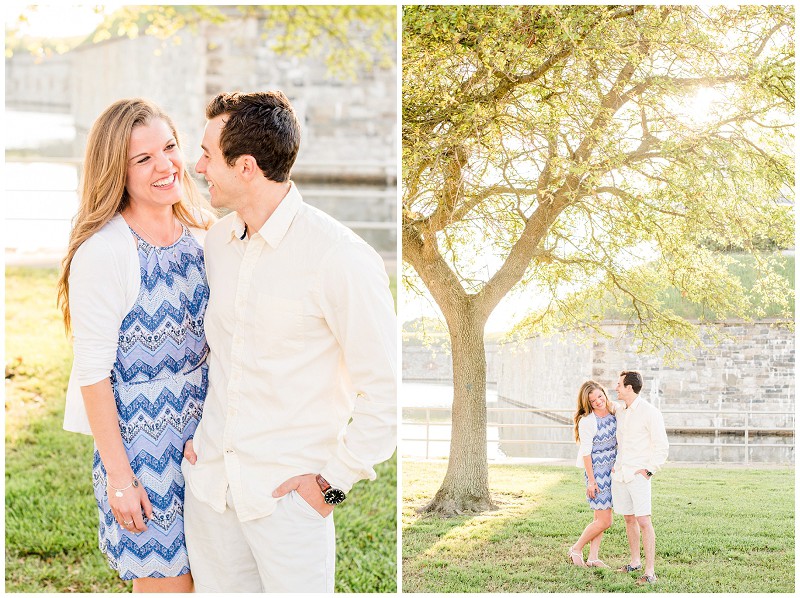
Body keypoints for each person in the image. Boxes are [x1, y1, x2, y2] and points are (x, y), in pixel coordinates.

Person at [181, 90, 397, 593]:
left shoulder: (341, 258)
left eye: (208, 155)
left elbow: (384, 394)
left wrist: (332, 489)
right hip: (211, 490)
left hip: (289, 506)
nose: (198, 166)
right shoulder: (217, 242)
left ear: (247, 167)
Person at [57, 98, 214, 592]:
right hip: (143, 448)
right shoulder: (104, 252)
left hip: (208, 439)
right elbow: (93, 374)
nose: (166, 166)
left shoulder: (204, 234)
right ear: (115, 171)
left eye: (169, 148)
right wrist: (122, 480)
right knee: (169, 586)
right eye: (143, 159)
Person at [611, 370, 669, 585]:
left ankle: (650, 571)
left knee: (643, 520)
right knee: (628, 519)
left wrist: (649, 470)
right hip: (620, 474)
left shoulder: (650, 412)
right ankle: (634, 562)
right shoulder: (620, 411)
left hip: (638, 475)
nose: (616, 388)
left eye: (619, 385)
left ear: (629, 387)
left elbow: (662, 446)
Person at [568, 380, 617, 567]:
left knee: (600, 517)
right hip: (597, 473)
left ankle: (593, 557)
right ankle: (576, 548)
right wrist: (592, 481)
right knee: (605, 521)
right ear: (587, 403)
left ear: (604, 394)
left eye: (599, 396)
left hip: (612, 471)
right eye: (592, 400)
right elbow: (586, 453)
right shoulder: (588, 421)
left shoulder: (613, 413)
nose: (598, 401)